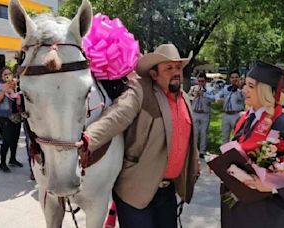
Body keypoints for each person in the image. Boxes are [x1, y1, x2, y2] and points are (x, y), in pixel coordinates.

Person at [84, 43, 200, 228]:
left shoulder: (184, 98)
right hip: (135, 191)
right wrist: (87, 141)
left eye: (178, 67)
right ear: (154, 74)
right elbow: (117, 115)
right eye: (168, 68)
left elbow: (185, 135)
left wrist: (193, 161)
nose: (176, 71)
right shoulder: (140, 90)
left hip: (167, 192)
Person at [218, 61, 284, 228]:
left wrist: (272, 186)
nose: (244, 90)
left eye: (251, 86)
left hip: (266, 213)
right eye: (245, 84)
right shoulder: (248, 119)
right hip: (240, 206)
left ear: (264, 91)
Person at [0, 67, 23, 173]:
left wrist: (15, 89)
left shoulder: (16, 85)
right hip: (4, 117)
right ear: (1, 76)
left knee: (15, 139)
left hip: (16, 116)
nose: (7, 76)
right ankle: (2, 163)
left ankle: (13, 159)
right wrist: (4, 89)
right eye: (5, 74)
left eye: (9, 73)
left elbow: (19, 101)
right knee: (6, 140)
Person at [188, 72, 215, 158]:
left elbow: (213, 99)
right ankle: (194, 150)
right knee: (194, 133)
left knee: (204, 132)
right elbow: (189, 97)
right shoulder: (193, 88)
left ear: (205, 81)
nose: (200, 83)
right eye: (199, 81)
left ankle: (202, 151)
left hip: (204, 113)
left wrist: (204, 94)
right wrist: (194, 94)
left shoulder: (210, 89)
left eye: (202, 81)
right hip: (195, 112)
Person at [216, 70, 245, 144]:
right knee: (225, 136)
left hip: (236, 115)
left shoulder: (242, 89)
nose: (234, 79)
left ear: (239, 78)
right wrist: (218, 99)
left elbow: (242, 98)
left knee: (237, 136)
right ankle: (225, 154)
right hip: (226, 114)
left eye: (236, 77)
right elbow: (217, 95)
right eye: (232, 77)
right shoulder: (226, 88)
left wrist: (239, 87)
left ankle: (236, 153)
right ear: (230, 79)